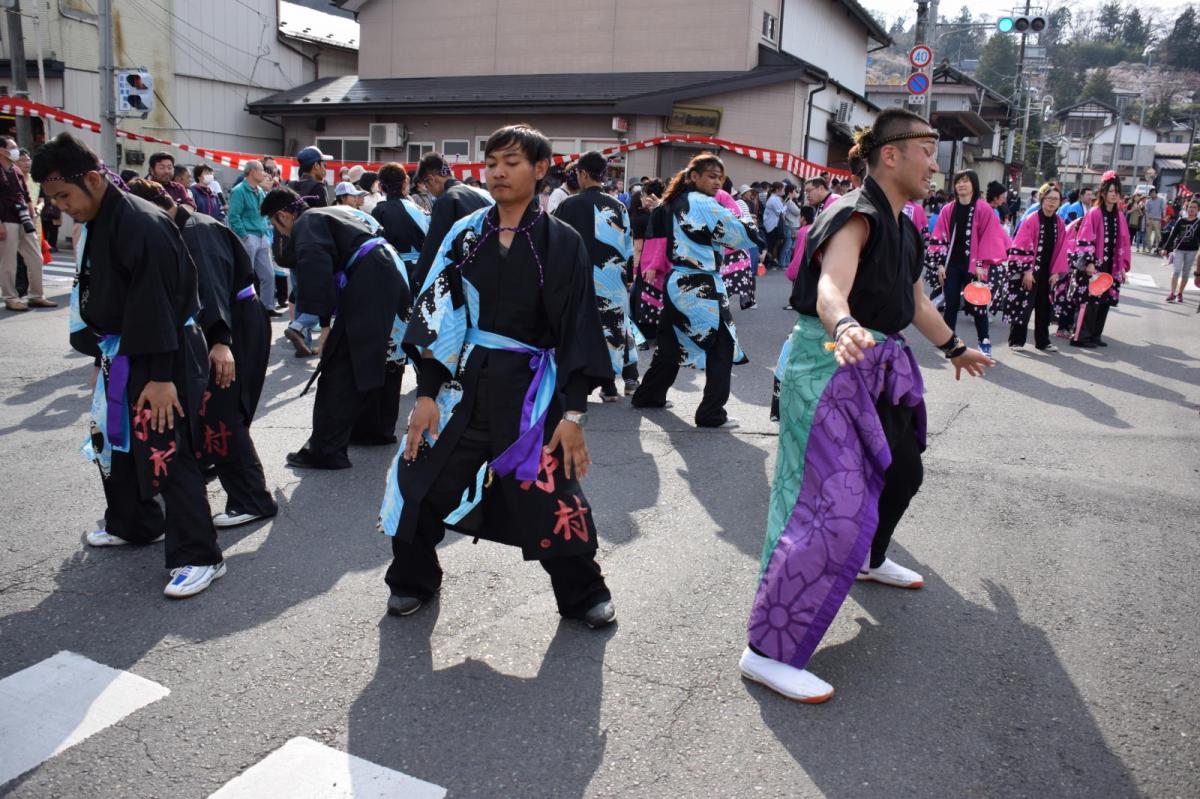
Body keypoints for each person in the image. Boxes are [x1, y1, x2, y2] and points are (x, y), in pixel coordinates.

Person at [740, 109, 993, 702]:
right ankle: (765, 652)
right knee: (821, 505)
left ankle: (870, 560)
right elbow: (833, 285)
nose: (937, 164)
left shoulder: (905, 226)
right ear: (890, 154)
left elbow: (913, 301)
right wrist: (845, 321)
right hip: (830, 363)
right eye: (927, 150)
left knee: (903, 470)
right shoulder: (853, 213)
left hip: (875, 364)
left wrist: (955, 347)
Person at [378, 124, 616, 628]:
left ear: (541, 169)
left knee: (555, 498)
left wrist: (573, 412)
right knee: (419, 481)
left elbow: (579, 326)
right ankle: (412, 579)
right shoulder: (466, 234)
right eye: (492, 163)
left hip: (534, 390)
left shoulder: (564, 242)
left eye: (512, 162)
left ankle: (583, 594)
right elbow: (437, 309)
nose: (499, 172)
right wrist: (426, 391)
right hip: (465, 383)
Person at [33, 132, 226, 598]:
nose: (62, 206)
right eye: (53, 199)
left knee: (166, 448)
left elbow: (156, 303)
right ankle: (135, 523)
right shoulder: (103, 218)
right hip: (124, 349)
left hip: (161, 353)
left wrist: (161, 378)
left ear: (94, 179)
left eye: (64, 195)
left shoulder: (142, 223)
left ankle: (200, 554)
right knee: (116, 439)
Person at [127, 179, 277, 527]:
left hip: (230, 325)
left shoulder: (195, 231)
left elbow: (211, 288)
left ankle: (252, 498)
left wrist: (220, 341)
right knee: (216, 411)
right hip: (220, 324)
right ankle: (236, 487)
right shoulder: (185, 225)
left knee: (222, 412)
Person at [261, 186, 410, 469]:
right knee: (379, 355)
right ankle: (372, 430)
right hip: (386, 271)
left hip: (370, 277)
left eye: (273, 224)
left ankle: (326, 450)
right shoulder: (330, 213)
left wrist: (324, 326)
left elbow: (316, 274)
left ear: (282, 215)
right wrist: (328, 321)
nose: (277, 232)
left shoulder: (307, 223)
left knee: (340, 363)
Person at [630, 153, 761, 429]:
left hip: (678, 281)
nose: (717, 182)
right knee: (722, 346)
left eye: (720, 177)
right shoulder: (703, 203)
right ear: (694, 176)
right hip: (701, 284)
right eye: (711, 176)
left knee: (670, 344)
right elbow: (744, 235)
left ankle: (649, 395)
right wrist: (748, 222)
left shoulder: (675, 201)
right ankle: (711, 413)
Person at [554, 151, 641, 400]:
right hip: (612, 279)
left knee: (581, 332)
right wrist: (628, 278)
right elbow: (627, 247)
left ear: (582, 173)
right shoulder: (618, 206)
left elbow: (556, 245)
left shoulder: (568, 205)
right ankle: (623, 382)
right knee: (617, 328)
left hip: (579, 280)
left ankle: (593, 385)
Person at [359, 162, 430, 446]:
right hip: (416, 275)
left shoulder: (377, 211)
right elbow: (430, 241)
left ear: (380, 185)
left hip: (389, 276)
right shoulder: (416, 209)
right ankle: (427, 381)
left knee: (395, 336)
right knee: (420, 330)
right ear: (405, 183)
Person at [929, 169, 1011, 357]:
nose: (961, 184)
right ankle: (949, 342)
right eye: (958, 181)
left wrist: (982, 263)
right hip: (952, 265)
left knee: (978, 306)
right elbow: (939, 237)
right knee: (950, 303)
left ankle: (984, 343)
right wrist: (940, 264)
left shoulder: (984, 209)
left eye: (965, 181)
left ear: (974, 185)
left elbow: (989, 237)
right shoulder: (948, 209)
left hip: (974, 267)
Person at [411, 152, 493, 291]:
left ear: (431, 179)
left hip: (469, 277)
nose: (429, 191)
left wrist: (417, 280)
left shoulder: (447, 199)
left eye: (427, 186)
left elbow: (434, 247)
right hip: (494, 267)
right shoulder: (484, 193)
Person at [1005, 183, 1069, 351]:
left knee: (1044, 308)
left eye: (1056, 199)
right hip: (1031, 271)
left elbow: (1063, 249)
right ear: (1042, 199)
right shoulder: (1031, 219)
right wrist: (1026, 270)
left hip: (1048, 272)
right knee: (1023, 306)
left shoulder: (1060, 223)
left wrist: (1056, 272)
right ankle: (1016, 341)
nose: (1052, 202)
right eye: (1049, 198)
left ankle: (1043, 341)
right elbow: (1022, 244)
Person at [1070, 173, 1130, 348]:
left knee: (1104, 301)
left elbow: (1124, 242)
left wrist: (1122, 266)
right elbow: (1085, 237)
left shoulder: (1119, 215)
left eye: (1117, 191)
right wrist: (1088, 261)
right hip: (1095, 264)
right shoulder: (1094, 213)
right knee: (1090, 301)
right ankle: (1081, 336)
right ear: (1103, 193)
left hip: (1111, 264)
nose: (1114, 194)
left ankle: (1095, 335)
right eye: (1110, 191)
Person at [0, 137, 54, 311]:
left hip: (23, 218)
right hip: (6, 218)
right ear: (2, 150)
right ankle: (10, 297)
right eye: (12, 147)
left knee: (36, 258)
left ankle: (37, 295)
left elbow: (26, 194)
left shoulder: (15, 170)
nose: (16, 150)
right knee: (8, 262)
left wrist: (31, 211)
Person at [226, 160, 278, 315]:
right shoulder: (239, 190)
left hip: (262, 235)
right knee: (246, 274)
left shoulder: (260, 191)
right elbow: (233, 216)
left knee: (268, 275)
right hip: (249, 236)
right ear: (252, 171)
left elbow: (263, 213)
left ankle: (267, 307)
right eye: (261, 170)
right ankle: (243, 308)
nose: (264, 173)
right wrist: (243, 235)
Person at [1161, 197, 1199, 303]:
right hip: (1179, 249)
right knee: (1176, 271)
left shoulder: (1198, 223)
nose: (1192, 209)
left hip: (1192, 251)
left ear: (1198, 210)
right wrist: (1165, 248)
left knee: (1186, 273)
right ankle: (1172, 293)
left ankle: (1180, 293)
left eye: (1194, 207)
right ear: (1187, 209)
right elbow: (1172, 235)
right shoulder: (1181, 221)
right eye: (1190, 207)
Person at [1144, 187, 1165, 253]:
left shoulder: (1161, 200)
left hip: (1157, 220)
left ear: (1156, 193)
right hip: (1149, 219)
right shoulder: (1148, 201)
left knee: (1158, 236)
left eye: (1154, 193)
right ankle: (1149, 248)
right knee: (1148, 235)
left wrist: (1163, 218)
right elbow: (1146, 211)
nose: (1152, 194)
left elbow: (1163, 210)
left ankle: (1158, 248)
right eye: (1151, 193)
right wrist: (1147, 220)